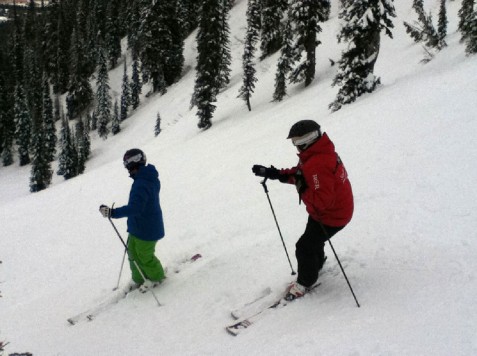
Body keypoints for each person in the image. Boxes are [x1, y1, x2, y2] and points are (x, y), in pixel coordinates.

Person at [252, 120, 353, 301]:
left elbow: (319, 201)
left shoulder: (318, 163)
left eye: (297, 141)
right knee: (314, 240)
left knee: (304, 247)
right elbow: (301, 174)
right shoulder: (318, 153)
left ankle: (305, 281)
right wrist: (274, 174)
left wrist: (301, 186)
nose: (295, 145)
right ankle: (317, 263)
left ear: (308, 139)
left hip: (332, 216)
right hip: (331, 211)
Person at [100, 148, 165, 292]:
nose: (127, 168)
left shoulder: (142, 183)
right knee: (133, 255)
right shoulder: (146, 178)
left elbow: (135, 208)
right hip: (138, 226)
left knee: (144, 257)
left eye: (127, 164)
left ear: (134, 164)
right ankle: (139, 278)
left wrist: (113, 212)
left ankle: (157, 278)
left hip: (147, 229)